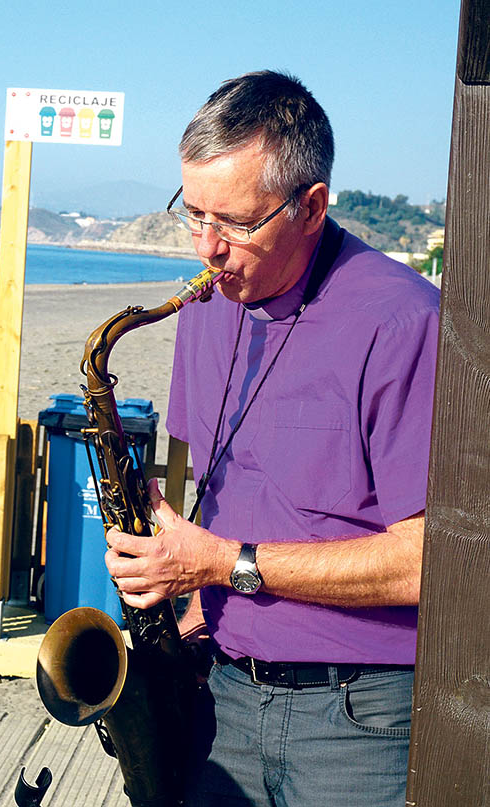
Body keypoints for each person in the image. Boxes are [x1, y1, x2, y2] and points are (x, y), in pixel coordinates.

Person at [104, 71, 439, 806]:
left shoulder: (404, 322)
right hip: (218, 690)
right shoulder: (202, 306)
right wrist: (155, 519)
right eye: (191, 214)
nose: (207, 248)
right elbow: (181, 451)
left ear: (311, 206)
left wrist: (223, 564)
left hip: (358, 720)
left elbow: (431, 562)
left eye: (233, 223)